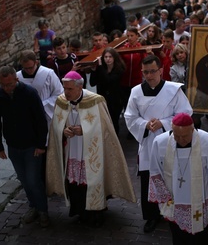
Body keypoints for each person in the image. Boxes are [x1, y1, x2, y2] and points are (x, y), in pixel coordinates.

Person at [45, 71, 136, 227]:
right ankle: (79, 211)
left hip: (92, 153)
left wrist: (85, 131)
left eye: (69, 89)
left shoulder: (95, 101)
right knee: (74, 182)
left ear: (80, 87)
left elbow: (106, 129)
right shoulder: (61, 101)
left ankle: (96, 212)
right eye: (64, 88)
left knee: (92, 181)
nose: (65, 92)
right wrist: (63, 131)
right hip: (72, 150)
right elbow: (56, 125)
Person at [124, 55, 193, 233]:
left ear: (161, 70)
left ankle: (172, 211)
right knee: (149, 180)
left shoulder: (174, 90)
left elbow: (185, 113)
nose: (149, 75)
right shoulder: (136, 92)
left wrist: (163, 123)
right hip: (147, 142)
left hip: (170, 141)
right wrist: (145, 125)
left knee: (170, 177)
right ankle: (151, 216)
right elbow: (130, 116)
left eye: (153, 71)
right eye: (145, 72)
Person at [149, 112, 208, 244]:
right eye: (177, 136)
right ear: (172, 129)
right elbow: (155, 171)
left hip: (201, 200)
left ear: (193, 130)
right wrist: (164, 195)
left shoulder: (207, 141)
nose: (181, 140)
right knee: (180, 237)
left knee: (205, 237)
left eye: (185, 136)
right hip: (175, 200)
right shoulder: (160, 142)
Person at [0, 66, 49, 227]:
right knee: (23, 179)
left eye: (9, 84)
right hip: (13, 145)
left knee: (33, 179)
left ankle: (43, 210)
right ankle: (33, 206)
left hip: (31, 145)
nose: (6, 88)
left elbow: (40, 120)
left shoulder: (29, 93)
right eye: (3, 84)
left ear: (16, 80)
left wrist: (41, 144)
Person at [17, 50, 63, 126]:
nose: (28, 70)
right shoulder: (18, 77)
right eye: (25, 68)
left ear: (36, 62)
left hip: (47, 115)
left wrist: (41, 105)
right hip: (26, 117)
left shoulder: (48, 74)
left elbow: (59, 94)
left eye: (30, 67)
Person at [90, 47, 126, 134]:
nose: (108, 59)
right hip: (103, 98)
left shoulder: (119, 69)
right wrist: (94, 71)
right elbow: (92, 83)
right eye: (106, 57)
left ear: (114, 58)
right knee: (103, 122)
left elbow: (109, 80)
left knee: (114, 121)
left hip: (115, 100)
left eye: (110, 57)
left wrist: (101, 67)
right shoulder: (100, 68)